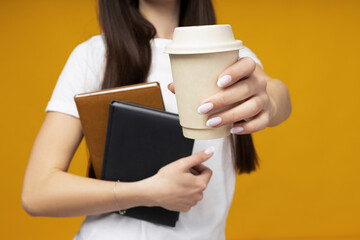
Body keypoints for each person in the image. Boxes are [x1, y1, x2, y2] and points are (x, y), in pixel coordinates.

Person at [21, 0, 292, 239]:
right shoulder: (94, 56)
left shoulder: (232, 56)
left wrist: (269, 100)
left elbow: (277, 95)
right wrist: (145, 192)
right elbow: (37, 192)